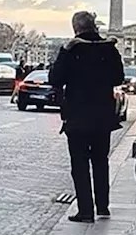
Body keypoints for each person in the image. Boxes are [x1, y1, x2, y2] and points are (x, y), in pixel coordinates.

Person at [48, 11, 124, 223]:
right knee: (101, 162)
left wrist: (64, 52)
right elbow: (119, 77)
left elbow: (55, 78)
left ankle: (85, 210)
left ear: (76, 28)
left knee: (80, 165)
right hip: (102, 116)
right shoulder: (108, 49)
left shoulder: (72, 50)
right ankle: (103, 206)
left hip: (77, 116)